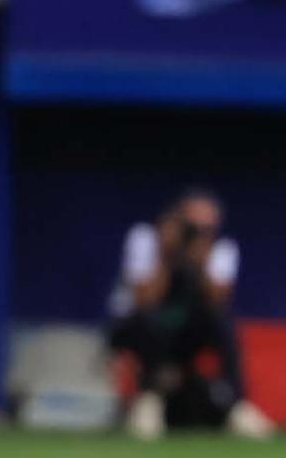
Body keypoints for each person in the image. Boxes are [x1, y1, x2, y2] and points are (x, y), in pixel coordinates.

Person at [109, 189, 271, 440]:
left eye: (206, 227)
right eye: (192, 226)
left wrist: (200, 258)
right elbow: (145, 300)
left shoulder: (219, 248)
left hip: (185, 332)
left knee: (222, 323)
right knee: (148, 321)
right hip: (137, 327)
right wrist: (166, 255)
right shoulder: (146, 238)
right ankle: (149, 401)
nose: (197, 232)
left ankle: (237, 404)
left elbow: (217, 301)